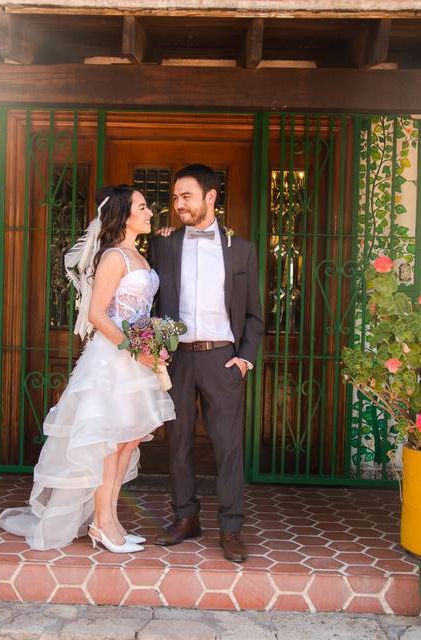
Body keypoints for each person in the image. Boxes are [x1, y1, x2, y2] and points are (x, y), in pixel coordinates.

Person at [0, 185, 174, 553]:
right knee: (109, 444)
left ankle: (108, 519)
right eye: (142, 207)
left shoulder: (138, 256)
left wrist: (152, 344)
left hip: (136, 359)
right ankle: (103, 524)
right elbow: (97, 314)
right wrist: (135, 348)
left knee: (127, 441)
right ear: (124, 215)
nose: (149, 213)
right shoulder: (114, 257)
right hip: (113, 359)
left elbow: (137, 312)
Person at [148, 164, 264, 563]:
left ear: (210, 197)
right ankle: (185, 518)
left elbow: (253, 314)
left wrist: (245, 359)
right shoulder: (163, 244)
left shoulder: (242, 249)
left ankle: (231, 528)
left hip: (222, 359)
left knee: (227, 446)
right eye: (175, 197)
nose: (178, 204)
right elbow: (149, 302)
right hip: (177, 357)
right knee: (177, 443)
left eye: (187, 197)